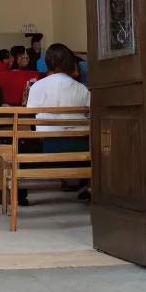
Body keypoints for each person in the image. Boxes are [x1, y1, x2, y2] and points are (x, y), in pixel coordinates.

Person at [25, 42, 91, 201]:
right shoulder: (82, 89)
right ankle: (85, 185)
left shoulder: (37, 87)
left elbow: (29, 117)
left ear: (47, 63)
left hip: (47, 148)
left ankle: (20, 193)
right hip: (79, 149)